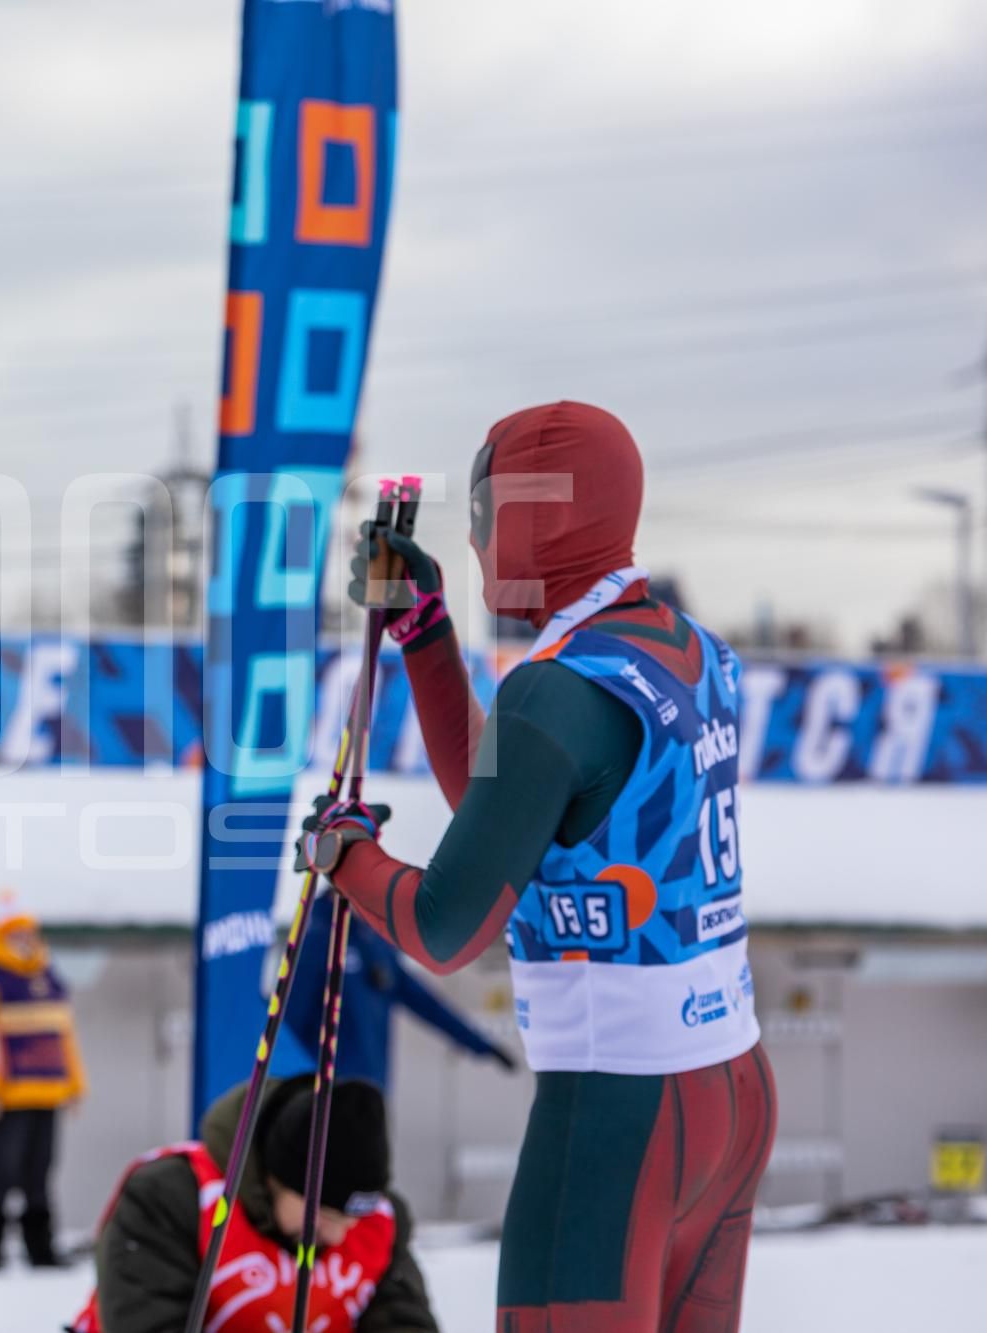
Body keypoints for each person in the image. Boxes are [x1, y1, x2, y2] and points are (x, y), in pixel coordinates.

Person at [301, 403, 776, 1330]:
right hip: (731, 1085)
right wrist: (426, 633)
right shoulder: (687, 648)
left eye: (482, 519)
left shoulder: (556, 688)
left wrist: (347, 857)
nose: (477, 546)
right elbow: (511, 806)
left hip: (618, 1109)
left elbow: (445, 926)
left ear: (533, 517)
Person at [70, 1077, 436, 1333]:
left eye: (353, 1219)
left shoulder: (379, 1224)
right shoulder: (173, 1197)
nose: (339, 1235)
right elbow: (146, 1322)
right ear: (274, 1179)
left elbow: (403, 1319)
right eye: (322, 1215)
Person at [0, 911, 86, 1269]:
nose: (26, 940)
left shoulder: (47, 974)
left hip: (48, 1093)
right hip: (6, 1098)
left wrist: (74, 1084)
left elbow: (63, 1036)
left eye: (30, 934)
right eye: (17, 934)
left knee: (40, 1174)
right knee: (3, 1173)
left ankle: (41, 1251)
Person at [269, 912, 517, 1091]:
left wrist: (483, 1045)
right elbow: (289, 1027)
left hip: (373, 1090)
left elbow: (427, 1005)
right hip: (327, 1096)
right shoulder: (316, 942)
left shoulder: (376, 943)